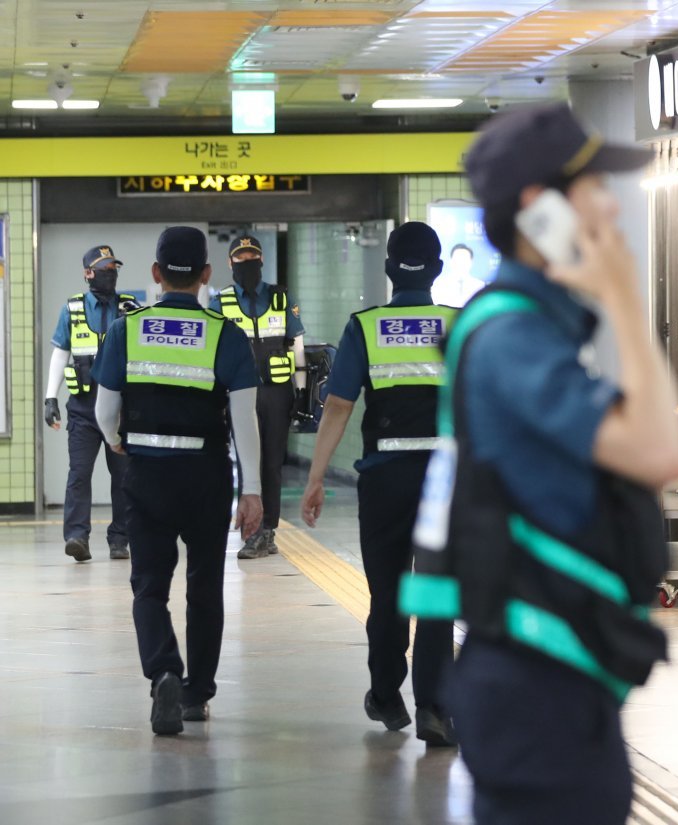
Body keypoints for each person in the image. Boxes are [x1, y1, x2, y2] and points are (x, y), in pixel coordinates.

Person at [398, 103, 678, 824]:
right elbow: (663, 446)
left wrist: (653, 437)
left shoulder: (535, 328)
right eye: (595, 185)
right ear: (541, 212)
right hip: (534, 682)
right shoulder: (512, 337)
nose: (610, 203)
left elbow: (662, 450)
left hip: (558, 673)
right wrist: (626, 293)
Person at [92, 226, 263, 735]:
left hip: (147, 474)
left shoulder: (127, 329)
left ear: (156, 274)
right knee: (205, 587)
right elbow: (245, 420)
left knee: (149, 587)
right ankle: (196, 695)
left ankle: (164, 671)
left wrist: (120, 442)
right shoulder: (224, 334)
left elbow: (105, 410)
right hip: (206, 476)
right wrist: (250, 489)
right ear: (207, 275)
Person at [300, 221, 458, 746]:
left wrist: (316, 477)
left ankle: (387, 695)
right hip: (444, 481)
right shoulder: (459, 325)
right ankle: (435, 707)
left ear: (389, 269)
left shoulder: (365, 327)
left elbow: (339, 405)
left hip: (385, 477)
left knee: (386, 591)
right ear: (437, 270)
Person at [210, 235, 306, 559]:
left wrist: (303, 388)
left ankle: (267, 531)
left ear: (262, 260)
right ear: (229, 263)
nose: (246, 262)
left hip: (276, 392)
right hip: (237, 394)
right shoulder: (219, 302)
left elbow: (297, 344)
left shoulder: (280, 299)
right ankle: (251, 528)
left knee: (272, 463)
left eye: (252, 256)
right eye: (240, 257)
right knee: (247, 459)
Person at [45, 245, 140, 562]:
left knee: (124, 476)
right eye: (103, 268)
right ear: (88, 273)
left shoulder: (130, 308)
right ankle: (76, 537)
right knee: (79, 473)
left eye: (113, 267)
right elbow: (60, 353)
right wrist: (50, 398)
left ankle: (120, 540)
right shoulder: (72, 309)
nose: (109, 273)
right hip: (84, 406)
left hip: (121, 408)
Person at [431, 243, 485, 308]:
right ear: (451, 261)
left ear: (471, 262)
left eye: (464, 259)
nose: (461, 263)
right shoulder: (438, 285)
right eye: (458, 259)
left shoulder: (480, 286)